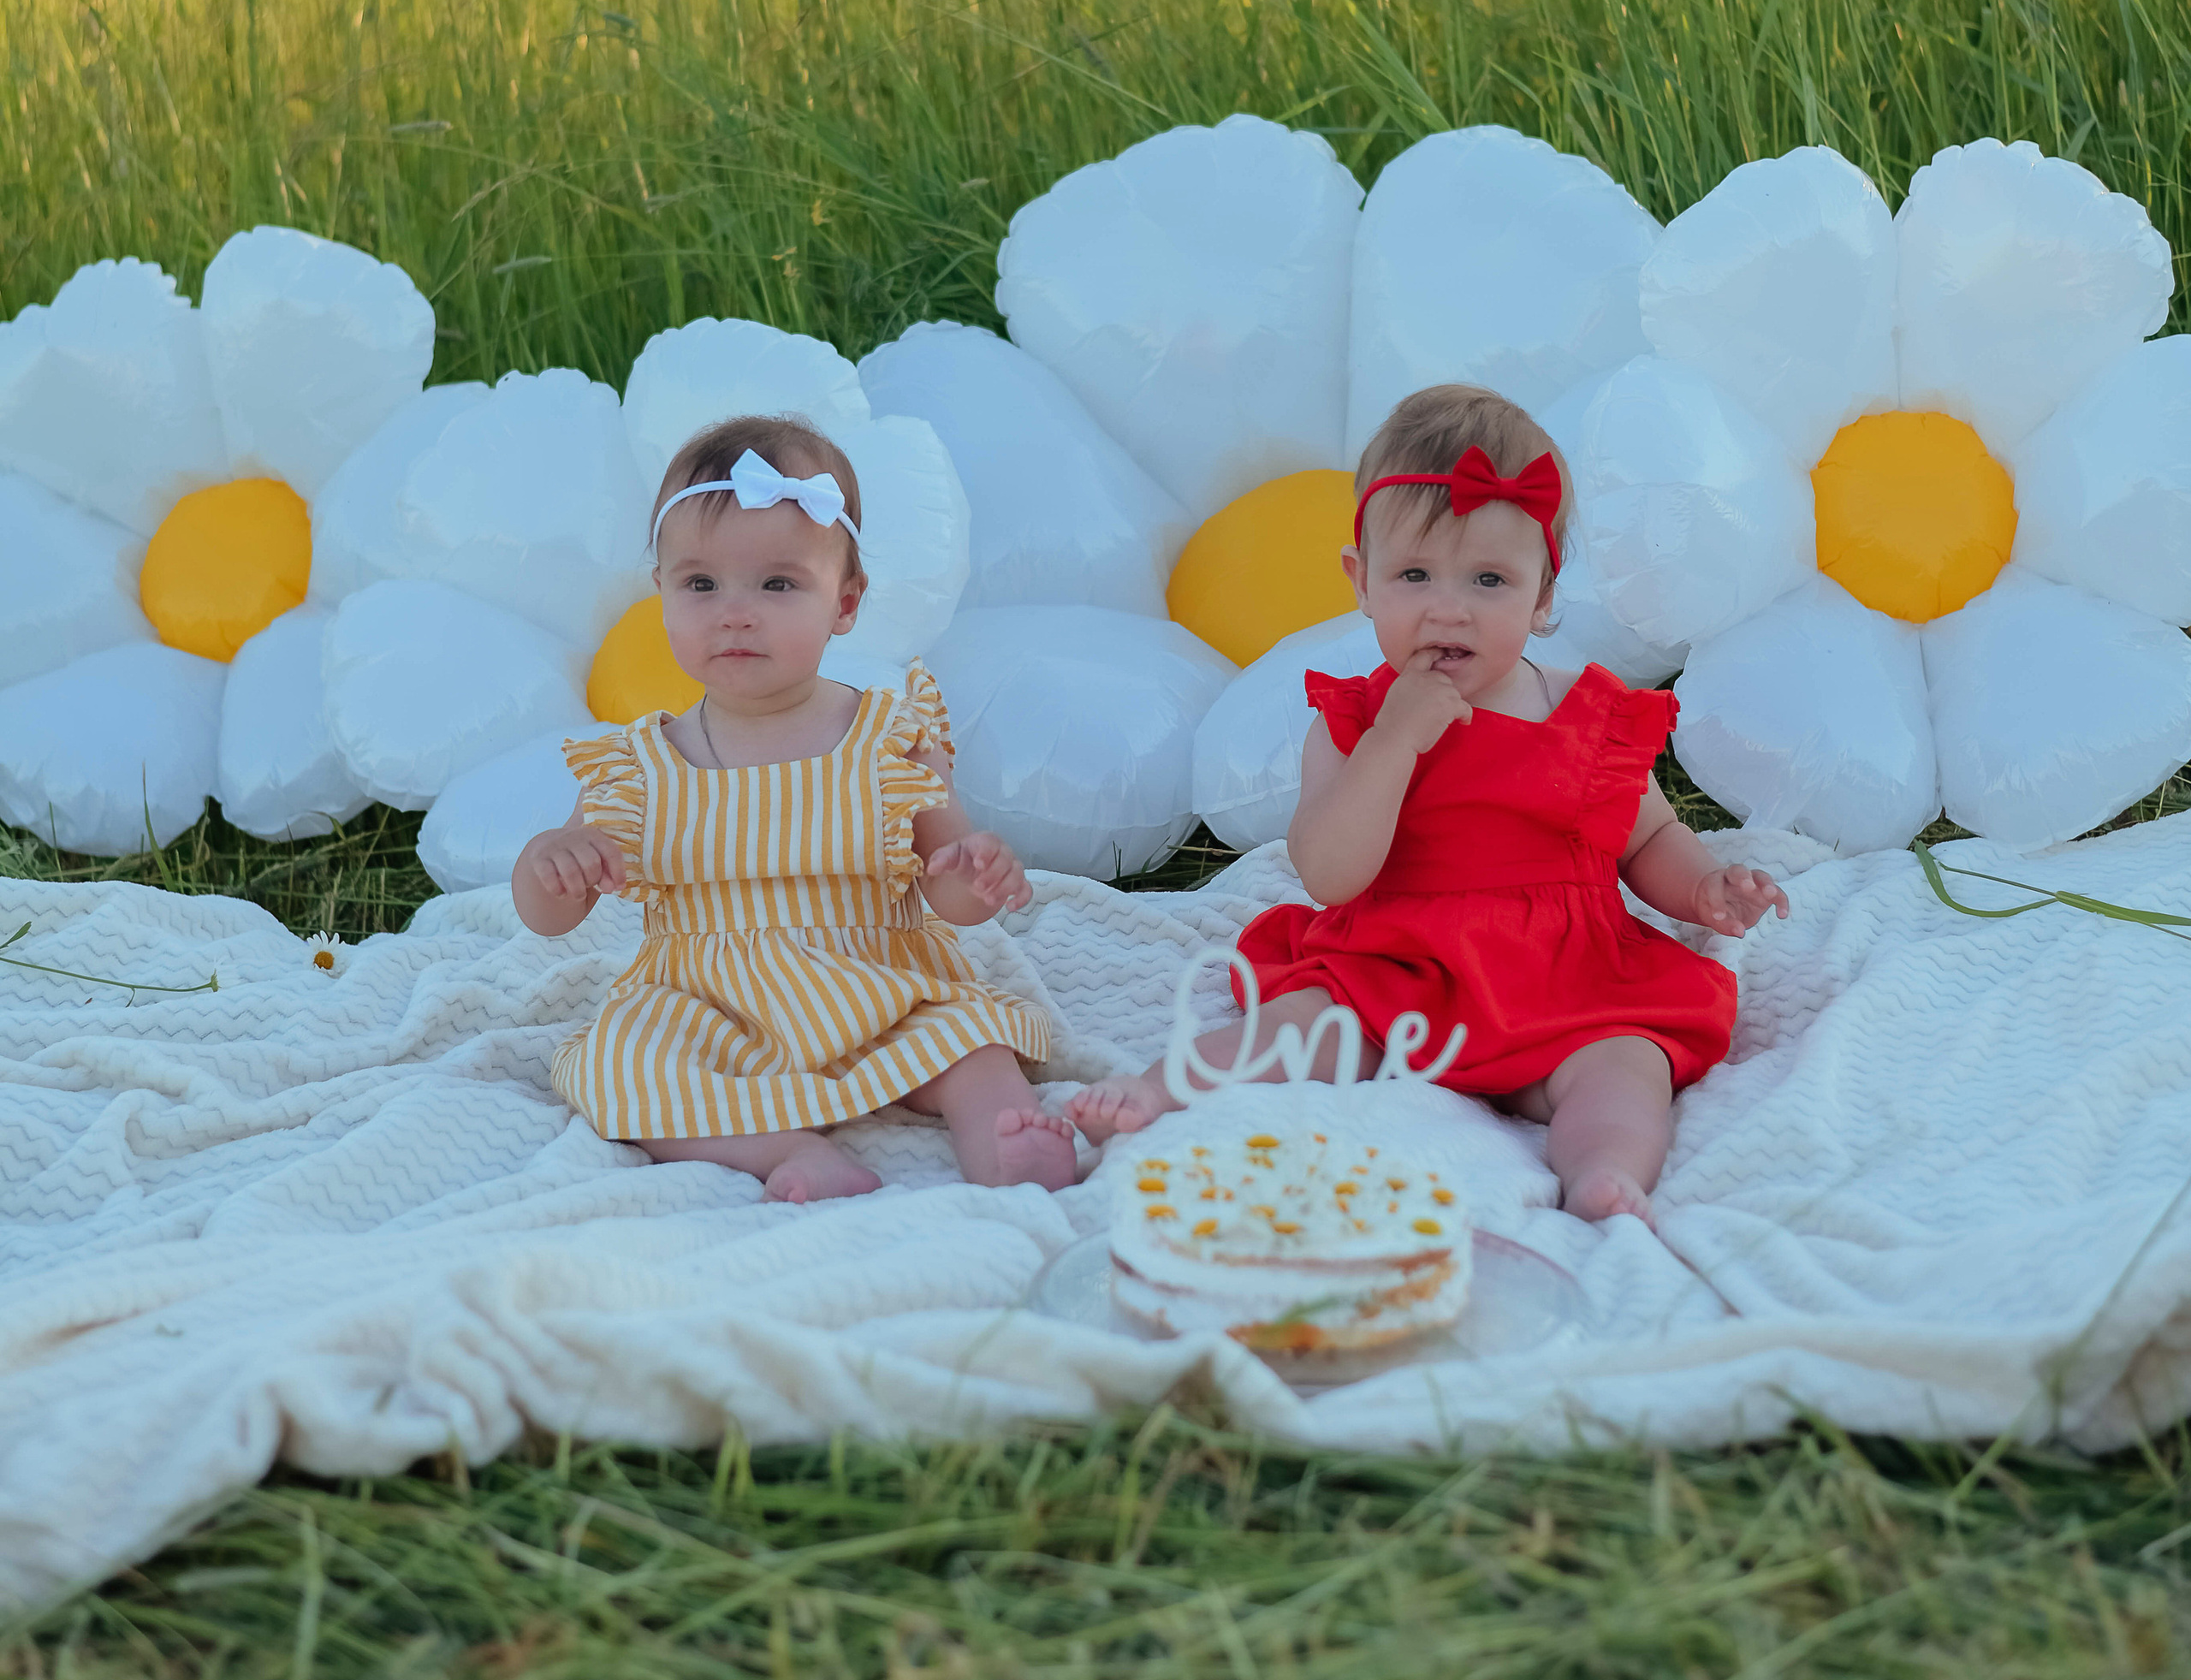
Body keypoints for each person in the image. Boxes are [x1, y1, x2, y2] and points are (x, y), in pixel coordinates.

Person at [1066, 383, 1789, 1221]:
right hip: (1396, 971)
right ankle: (1157, 1091)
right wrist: (1393, 745)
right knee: (1303, 1028)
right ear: (1361, 581)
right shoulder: (1354, 722)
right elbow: (1331, 875)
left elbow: (1646, 835)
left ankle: (1602, 1170)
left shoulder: (1585, 711)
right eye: (1414, 574)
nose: (1449, 607)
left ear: (1545, 595)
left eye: (1488, 579)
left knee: (1627, 1066)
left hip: (1567, 981)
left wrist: (1701, 887)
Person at [519, 413, 1074, 1202]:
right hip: (705, 1003)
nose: (734, 612)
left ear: (844, 604)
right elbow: (550, 916)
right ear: (663, 596)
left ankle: (1005, 1139)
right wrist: (553, 865)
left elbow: (946, 891)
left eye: (778, 584)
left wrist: (972, 871)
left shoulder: (889, 739)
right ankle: (786, 1149)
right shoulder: (638, 765)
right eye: (700, 584)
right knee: (615, 1069)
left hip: (878, 983)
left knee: (969, 1039)